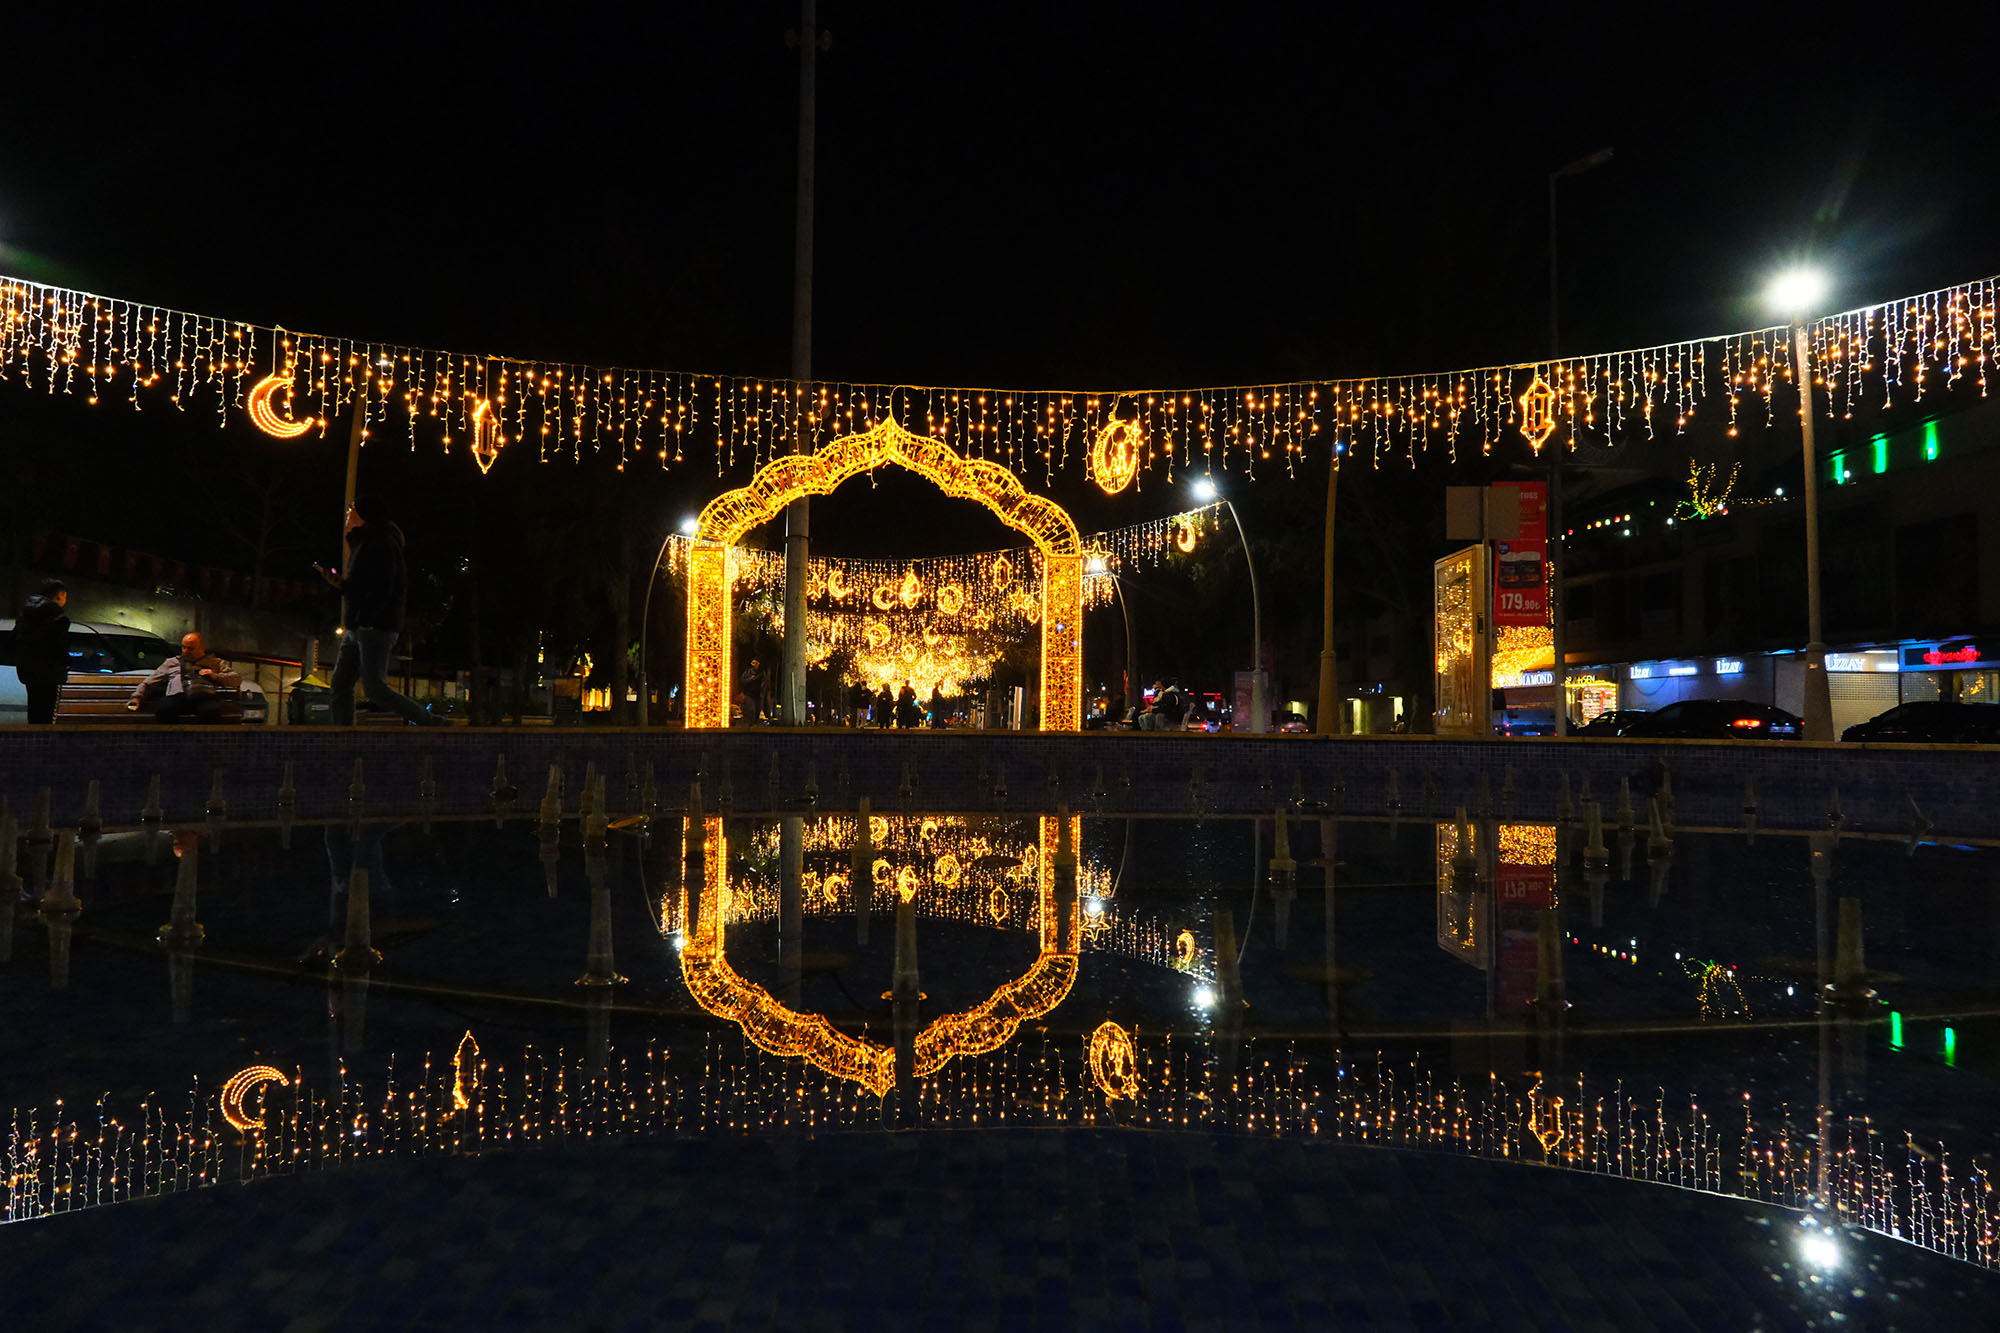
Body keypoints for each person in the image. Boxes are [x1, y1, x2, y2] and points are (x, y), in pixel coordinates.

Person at [314, 495, 444, 727]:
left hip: (373, 626)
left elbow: (384, 586)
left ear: (363, 516)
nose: (348, 514)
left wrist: (368, 620)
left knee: (374, 688)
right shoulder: (364, 543)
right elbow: (363, 587)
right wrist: (340, 584)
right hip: (359, 625)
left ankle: (429, 721)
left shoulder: (381, 543)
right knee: (341, 685)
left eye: (352, 510)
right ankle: (343, 736)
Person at [129, 631, 241, 723]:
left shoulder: (215, 663)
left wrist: (215, 676)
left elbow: (236, 679)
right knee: (164, 710)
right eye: (184, 647)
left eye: (191, 648)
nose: (186, 651)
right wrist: (137, 698)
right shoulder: (172, 662)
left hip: (202, 697)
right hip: (177, 697)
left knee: (211, 712)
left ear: (202, 647)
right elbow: (149, 682)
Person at [14, 577, 71, 724]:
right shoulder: (57, 618)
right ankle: (45, 744)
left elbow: (14, 642)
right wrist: (65, 663)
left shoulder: (26, 617)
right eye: (64, 597)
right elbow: (59, 647)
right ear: (59, 596)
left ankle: (35, 742)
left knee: (34, 712)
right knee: (47, 714)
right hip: (50, 673)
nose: (65, 601)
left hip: (29, 672)